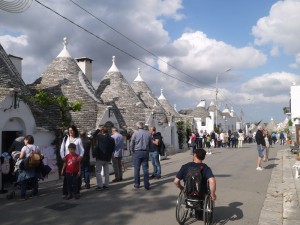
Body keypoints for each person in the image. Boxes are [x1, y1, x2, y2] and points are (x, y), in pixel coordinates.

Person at [60, 125, 84, 198]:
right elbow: (62, 149)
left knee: (76, 178)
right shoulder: (65, 138)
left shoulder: (78, 139)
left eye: (72, 130)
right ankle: (66, 193)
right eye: (69, 130)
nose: (70, 131)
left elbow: (82, 149)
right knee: (67, 178)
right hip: (67, 159)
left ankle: (76, 192)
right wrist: (62, 156)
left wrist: (80, 156)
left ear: (74, 131)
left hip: (76, 160)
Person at [130, 121, 152, 190]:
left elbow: (131, 144)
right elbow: (150, 144)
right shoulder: (148, 134)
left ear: (138, 126)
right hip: (145, 152)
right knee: (145, 169)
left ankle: (137, 184)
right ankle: (146, 185)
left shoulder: (135, 134)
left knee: (136, 169)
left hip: (137, 152)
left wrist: (132, 151)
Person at [18, 135, 41, 200]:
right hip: (34, 166)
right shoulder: (36, 147)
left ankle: (23, 196)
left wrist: (19, 157)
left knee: (23, 180)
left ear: (27, 140)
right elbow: (39, 155)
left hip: (27, 166)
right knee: (34, 180)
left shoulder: (24, 148)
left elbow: (21, 157)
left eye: (25, 140)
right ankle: (35, 193)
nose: (24, 141)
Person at [94, 126, 115, 191]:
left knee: (98, 171)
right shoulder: (111, 139)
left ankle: (100, 185)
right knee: (106, 172)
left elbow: (93, 135)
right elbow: (113, 148)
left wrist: (98, 130)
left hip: (100, 157)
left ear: (102, 131)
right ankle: (106, 185)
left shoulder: (100, 137)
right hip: (107, 157)